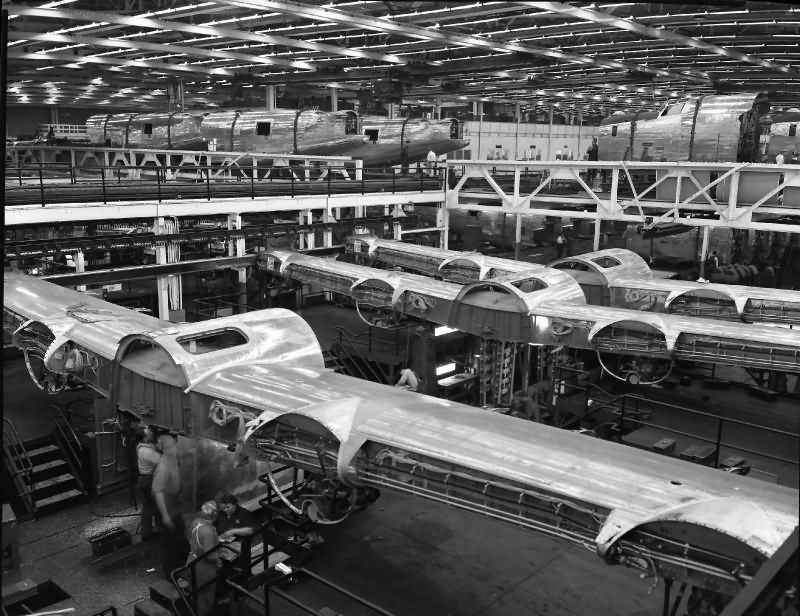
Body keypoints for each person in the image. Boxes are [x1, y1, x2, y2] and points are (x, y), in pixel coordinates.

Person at [152, 430, 189, 579]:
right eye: (170, 447)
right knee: (171, 545)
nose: (174, 448)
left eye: (174, 445)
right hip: (169, 511)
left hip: (175, 507)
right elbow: (158, 492)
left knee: (180, 540)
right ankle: (172, 575)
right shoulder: (163, 466)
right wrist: (165, 516)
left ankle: (182, 568)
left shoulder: (173, 460)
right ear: (165, 449)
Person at [187, 501, 221, 616]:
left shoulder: (195, 522)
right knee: (206, 597)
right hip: (204, 569)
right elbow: (210, 556)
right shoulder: (208, 532)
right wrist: (219, 558)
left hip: (192, 561)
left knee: (195, 594)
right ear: (214, 515)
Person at [137, 425, 162, 541]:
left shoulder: (143, 447)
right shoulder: (146, 451)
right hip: (149, 480)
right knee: (153, 505)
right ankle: (153, 531)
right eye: (149, 433)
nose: (151, 434)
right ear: (145, 438)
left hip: (145, 480)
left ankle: (149, 531)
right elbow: (161, 461)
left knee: (150, 505)